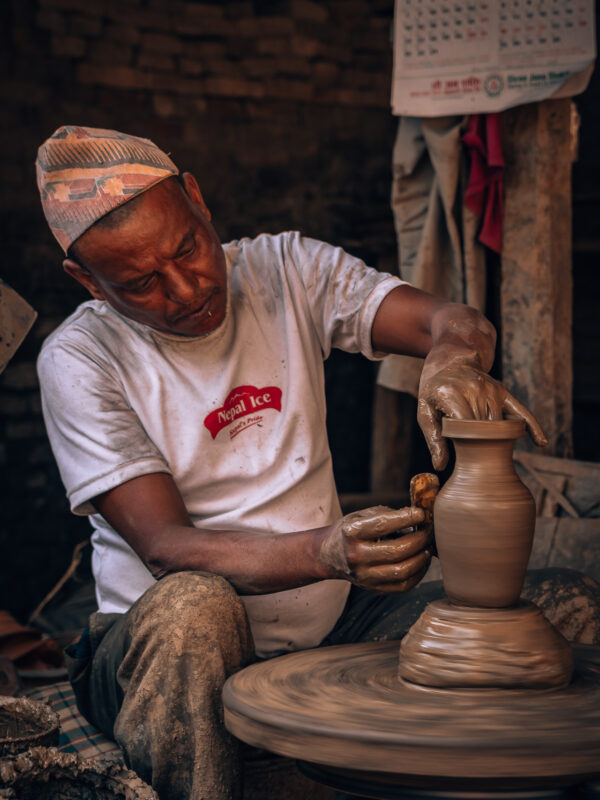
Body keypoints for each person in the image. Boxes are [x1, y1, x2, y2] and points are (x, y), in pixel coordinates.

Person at [34, 125, 581, 800]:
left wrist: (452, 358)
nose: (185, 289)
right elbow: (167, 547)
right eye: (141, 282)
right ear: (85, 280)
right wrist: (326, 551)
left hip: (330, 624)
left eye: (188, 249)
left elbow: (448, 319)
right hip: (154, 655)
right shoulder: (80, 359)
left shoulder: (285, 269)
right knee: (195, 612)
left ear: (198, 201)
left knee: (567, 609)